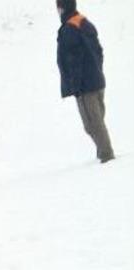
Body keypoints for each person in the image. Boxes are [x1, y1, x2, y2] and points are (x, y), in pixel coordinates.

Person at [56, 0, 114, 163]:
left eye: (58, 7)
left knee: (92, 124)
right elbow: (99, 51)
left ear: (63, 8)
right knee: (97, 121)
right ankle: (103, 153)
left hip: (85, 86)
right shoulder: (84, 23)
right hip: (96, 80)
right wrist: (97, 70)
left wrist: (75, 86)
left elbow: (72, 61)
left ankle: (106, 156)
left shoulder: (69, 29)